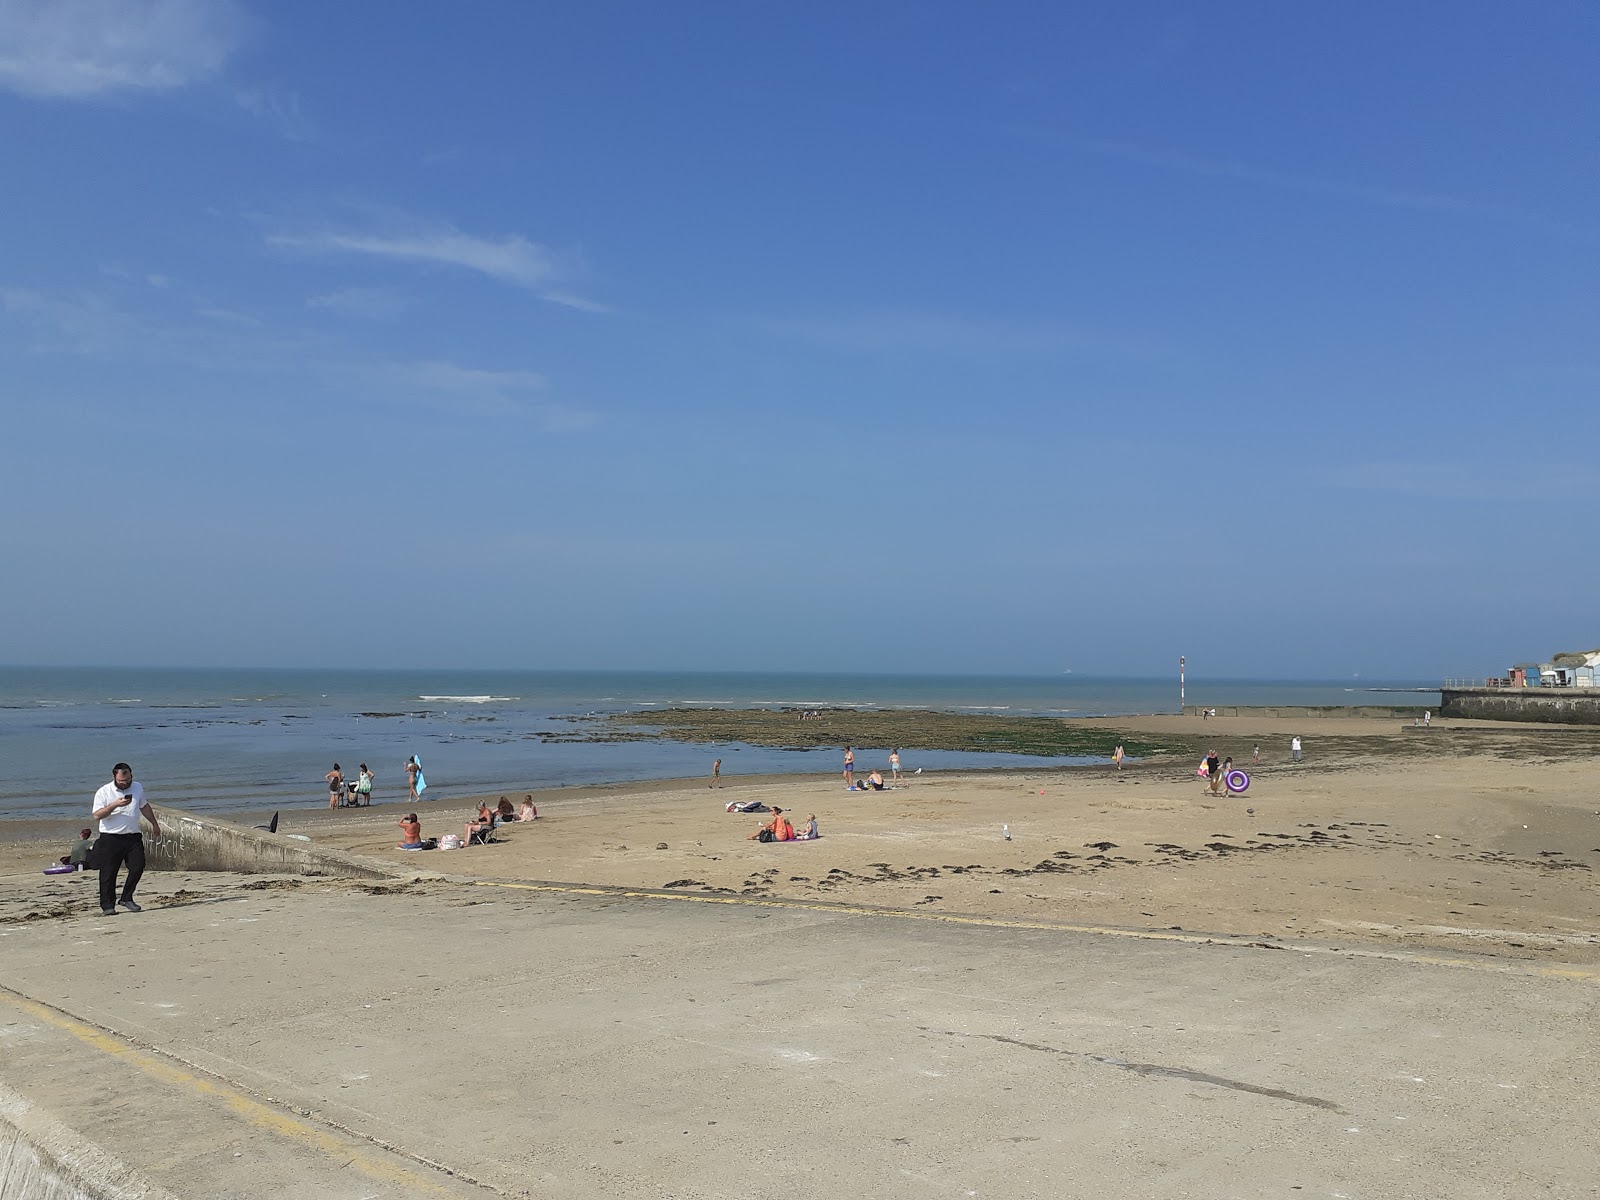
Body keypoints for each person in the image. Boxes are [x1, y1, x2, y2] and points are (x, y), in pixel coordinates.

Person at [92, 762, 161, 916]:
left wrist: (154, 824)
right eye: (122, 781)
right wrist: (115, 805)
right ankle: (107, 905)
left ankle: (126, 897)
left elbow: (144, 806)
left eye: (128, 779)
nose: (125, 783)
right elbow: (97, 815)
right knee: (109, 872)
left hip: (132, 835)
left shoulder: (137, 787)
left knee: (138, 866)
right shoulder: (104, 792)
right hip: (111, 837)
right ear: (115, 777)